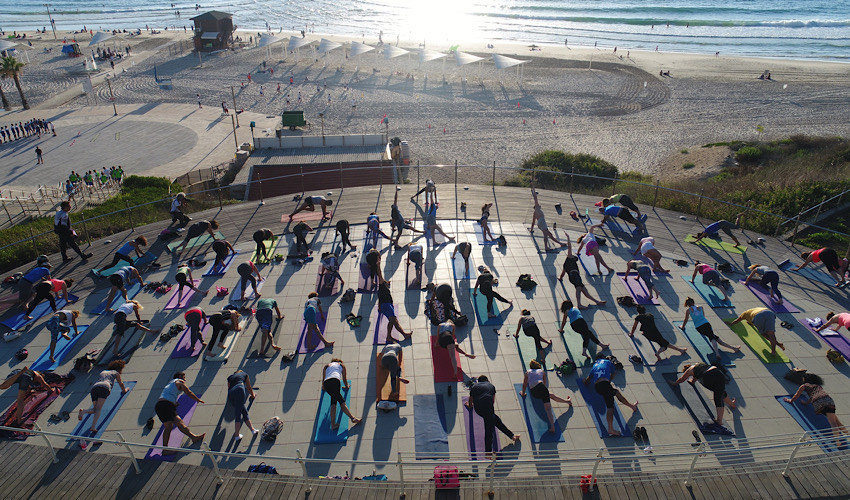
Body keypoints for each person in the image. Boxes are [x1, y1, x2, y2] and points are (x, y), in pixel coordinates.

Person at [77, 360, 128, 448]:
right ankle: (93, 427)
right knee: (99, 409)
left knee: (95, 409)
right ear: (119, 368)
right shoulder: (116, 373)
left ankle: (83, 411)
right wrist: (124, 390)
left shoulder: (103, 371)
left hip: (95, 387)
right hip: (105, 387)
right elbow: (121, 383)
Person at [784, 373, 846, 445]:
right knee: (835, 420)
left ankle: (837, 441)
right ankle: (847, 433)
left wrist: (790, 401)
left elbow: (796, 395)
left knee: (833, 423)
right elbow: (814, 395)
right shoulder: (817, 386)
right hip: (828, 399)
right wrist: (807, 402)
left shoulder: (804, 386)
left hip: (819, 402)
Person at [465, 375, 521, 455]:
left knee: (496, 420)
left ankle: (512, 436)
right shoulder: (491, 386)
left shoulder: (474, 387)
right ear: (487, 380)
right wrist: (489, 409)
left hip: (478, 409)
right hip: (488, 407)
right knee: (489, 429)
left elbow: (471, 398)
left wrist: (470, 406)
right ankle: (488, 452)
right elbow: (493, 400)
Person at [583, 357, 639, 436]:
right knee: (610, 407)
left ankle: (632, 406)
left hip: (597, 387)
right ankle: (610, 429)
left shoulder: (595, 365)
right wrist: (608, 381)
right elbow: (613, 373)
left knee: (616, 393)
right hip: (605, 385)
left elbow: (587, 380)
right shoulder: (608, 362)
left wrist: (584, 382)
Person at [155, 372, 205, 454]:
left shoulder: (170, 384)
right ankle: (165, 449)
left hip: (162, 406)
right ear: (180, 377)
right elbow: (189, 393)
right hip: (165, 406)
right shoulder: (179, 382)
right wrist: (197, 399)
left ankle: (193, 437)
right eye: (184, 377)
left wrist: (174, 403)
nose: (185, 380)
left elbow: (167, 396)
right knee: (170, 426)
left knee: (178, 423)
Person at [671, 363, 736, 427]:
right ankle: (732, 404)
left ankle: (719, 420)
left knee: (717, 397)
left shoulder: (690, 370)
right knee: (720, 391)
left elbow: (682, 379)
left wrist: (675, 383)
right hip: (718, 372)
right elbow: (696, 376)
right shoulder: (698, 366)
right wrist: (692, 381)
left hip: (708, 375)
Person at [520, 360, 572, 433]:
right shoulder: (542, 371)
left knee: (551, 395)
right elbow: (544, 383)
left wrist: (523, 393)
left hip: (534, 392)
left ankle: (568, 401)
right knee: (548, 409)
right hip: (542, 388)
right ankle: (552, 427)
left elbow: (524, 384)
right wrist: (545, 394)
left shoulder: (528, 372)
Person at [558, 235, 606, 308]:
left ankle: (597, 302)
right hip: (575, 276)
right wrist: (568, 238)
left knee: (585, 291)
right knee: (578, 289)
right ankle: (579, 304)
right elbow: (569, 248)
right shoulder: (570, 258)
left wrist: (560, 278)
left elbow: (562, 274)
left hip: (573, 277)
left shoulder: (565, 265)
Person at [322, 359, 362, 429]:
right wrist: (347, 386)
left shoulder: (326, 366)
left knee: (336, 399)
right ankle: (335, 424)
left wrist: (323, 387)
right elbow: (344, 379)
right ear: (339, 362)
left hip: (326, 384)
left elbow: (324, 379)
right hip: (335, 381)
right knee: (336, 403)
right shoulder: (342, 365)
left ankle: (352, 418)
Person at [529, 181, 566, 251]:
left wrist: (531, 230)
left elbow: (533, 222)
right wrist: (533, 186)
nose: (539, 205)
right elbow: (535, 197)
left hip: (540, 223)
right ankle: (546, 247)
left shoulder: (535, 213)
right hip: (542, 221)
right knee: (545, 235)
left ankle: (560, 243)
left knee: (550, 234)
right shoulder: (537, 207)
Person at [227, 370, 258, 440]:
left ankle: (253, 430)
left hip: (231, 394)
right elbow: (249, 387)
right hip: (239, 389)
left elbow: (228, 388)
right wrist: (252, 395)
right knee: (238, 413)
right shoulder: (244, 374)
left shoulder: (230, 377)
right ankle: (237, 435)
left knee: (244, 411)